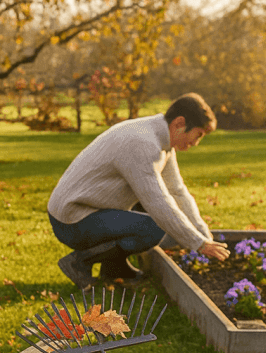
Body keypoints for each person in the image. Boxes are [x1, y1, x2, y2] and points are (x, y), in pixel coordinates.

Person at [47, 93, 230, 289]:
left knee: (152, 214)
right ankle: (79, 262)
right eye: (199, 135)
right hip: (72, 219)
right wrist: (198, 244)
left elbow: (177, 192)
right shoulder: (141, 143)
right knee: (154, 227)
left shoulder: (163, 143)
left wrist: (204, 235)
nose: (196, 143)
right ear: (179, 123)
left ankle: (113, 268)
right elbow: (158, 203)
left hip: (93, 209)